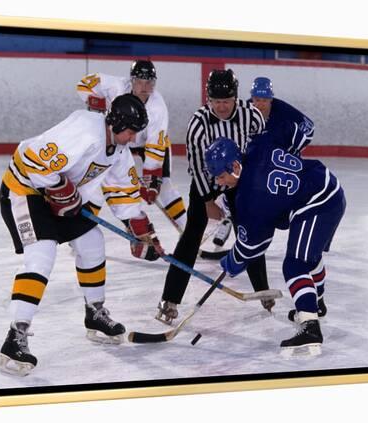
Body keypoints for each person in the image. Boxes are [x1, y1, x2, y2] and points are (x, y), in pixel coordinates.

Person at [0, 94, 165, 376]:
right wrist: (60, 187)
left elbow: (123, 193)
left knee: (92, 243)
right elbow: (29, 158)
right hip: (24, 190)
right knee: (42, 255)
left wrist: (141, 232)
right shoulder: (86, 129)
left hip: (61, 198)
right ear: (117, 123)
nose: (133, 137)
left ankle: (95, 313)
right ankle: (15, 336)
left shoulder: (120, 152)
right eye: (131, 131)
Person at [205, 131, 346, 356]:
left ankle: (310, 327)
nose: (220, 182)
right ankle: (316, 304)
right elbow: (293, 134)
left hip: (317, 203)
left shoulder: (251, 197)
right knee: (310, 256)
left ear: (235, 166)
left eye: (221, 176)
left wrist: (231, 262)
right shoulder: (257, 146)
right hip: (327, 187)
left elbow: (253, 247)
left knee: (294, 264)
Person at [156, 68, 271, 325]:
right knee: (191, 237)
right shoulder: (198, 124)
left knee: (248, 232)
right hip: (207, 181)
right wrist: (208, 201)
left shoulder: (251, 117)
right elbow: (196, 166)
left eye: (226, 101)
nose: (221, 107)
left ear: (236, 97)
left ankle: (262, 289)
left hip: (239, 180)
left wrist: (254, 187)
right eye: (216, 101)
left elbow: (260, 152)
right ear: (208, 99)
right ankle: (169, 300)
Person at [76, 60, 187, 230]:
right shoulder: (116, 86)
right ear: (131, 80)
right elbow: (84, 83)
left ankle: (188, 230)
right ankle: (81, 230)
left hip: (146, 145)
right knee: (97, 184)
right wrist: (100, 104)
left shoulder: (158, 107)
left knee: (164, 186)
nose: (144, 86)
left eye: (149, 82)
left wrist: (152, 180)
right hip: (120, 139)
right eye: (139, 81)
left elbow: (155, 145)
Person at [250, 76, 315, 156]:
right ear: (252, 98)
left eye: (265, 100)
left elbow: (309, 128)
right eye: (257, 100)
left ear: (271, 99)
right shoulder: (245, 111)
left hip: (281, 160)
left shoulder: (282, 109)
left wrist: (292, 151)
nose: (260, 104)